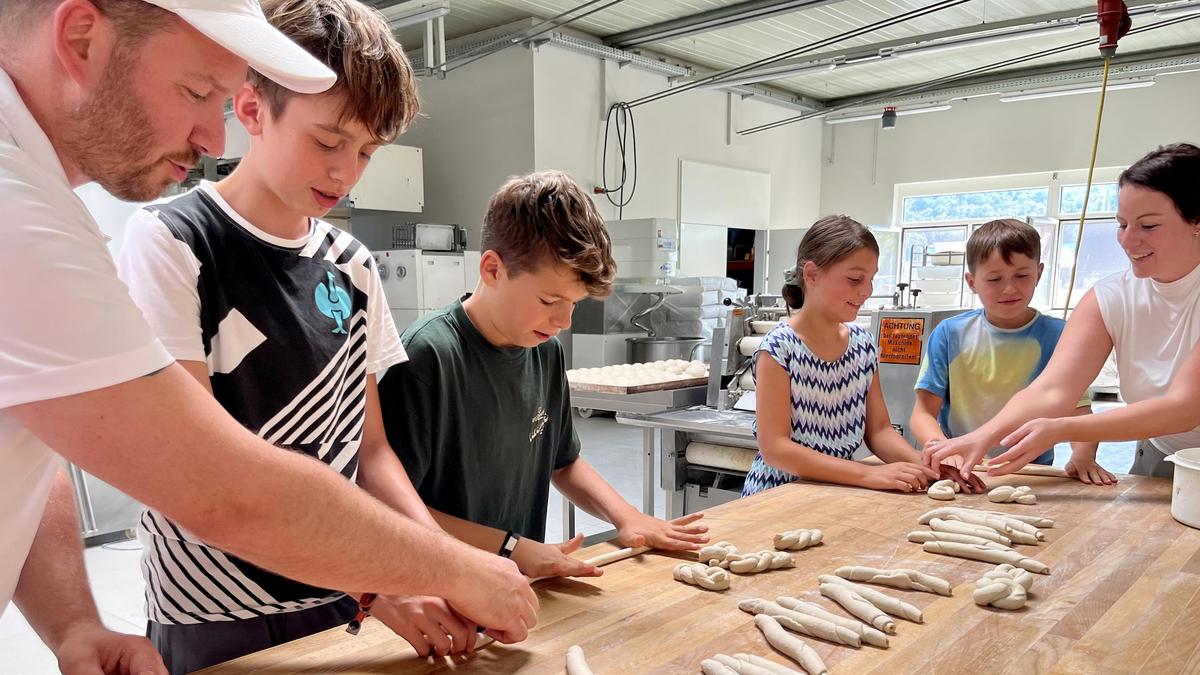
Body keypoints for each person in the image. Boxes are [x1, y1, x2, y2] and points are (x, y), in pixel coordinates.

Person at [0, 2, 535, 672]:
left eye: (365, 150)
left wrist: (72, 622)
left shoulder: (41, 197)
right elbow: (213, 487)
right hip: (219, 611)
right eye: (198, 92)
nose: (212, 138)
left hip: (336, 587)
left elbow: (28, 434)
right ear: (79, 36)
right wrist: (444, 569)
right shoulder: (43, 214)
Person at [113, 1, 476, 670]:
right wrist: (386, 580)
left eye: (367, 151)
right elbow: (195, 480)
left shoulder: (352, 264)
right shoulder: (174, 243)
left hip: (344, 599)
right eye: (329, 141)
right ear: (252, 111)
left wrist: (442, 568)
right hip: (217, 610)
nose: (347, 172)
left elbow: (371, 451)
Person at [378, 171, 708, 579]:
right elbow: (390, 510)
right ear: (493, 269)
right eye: (550, 299)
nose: (564, 320)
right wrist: (511, 547)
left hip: (512, 581)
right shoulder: (428, 357)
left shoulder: (544, 351)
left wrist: (626, 516)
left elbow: (563, 462)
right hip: (437, 584)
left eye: (574, 303)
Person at [926, 143, 1200, 480]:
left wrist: (1061, 429)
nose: (1127, 241)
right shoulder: (1111, 296)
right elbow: (1053, 390)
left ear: (1196, 221)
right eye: (1122, 224)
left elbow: (1185, 408)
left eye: (1148, 226)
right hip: (1164, 451)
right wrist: (982, 437)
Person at [743, 215, 946, 497]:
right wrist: (869, 473)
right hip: (777, 496)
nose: (866, 291)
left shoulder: (862, 345)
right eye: (854, 279)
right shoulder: (779, 348)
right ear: (812, 274)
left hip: (837, 493)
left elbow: (879, 432)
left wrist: (930, 469)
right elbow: (776, 448)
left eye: (871, 279)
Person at [909, 219, 1115, 485]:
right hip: (965, 470)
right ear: (972, 282)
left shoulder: (1060, 335)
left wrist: (1084, 454)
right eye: (994, 279)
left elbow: (1078, 410)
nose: (1009, 288)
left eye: (1021, 275)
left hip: (1031, 472)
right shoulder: (951, 333)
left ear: (1039, 273)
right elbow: (923, 413)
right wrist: (944, 449)